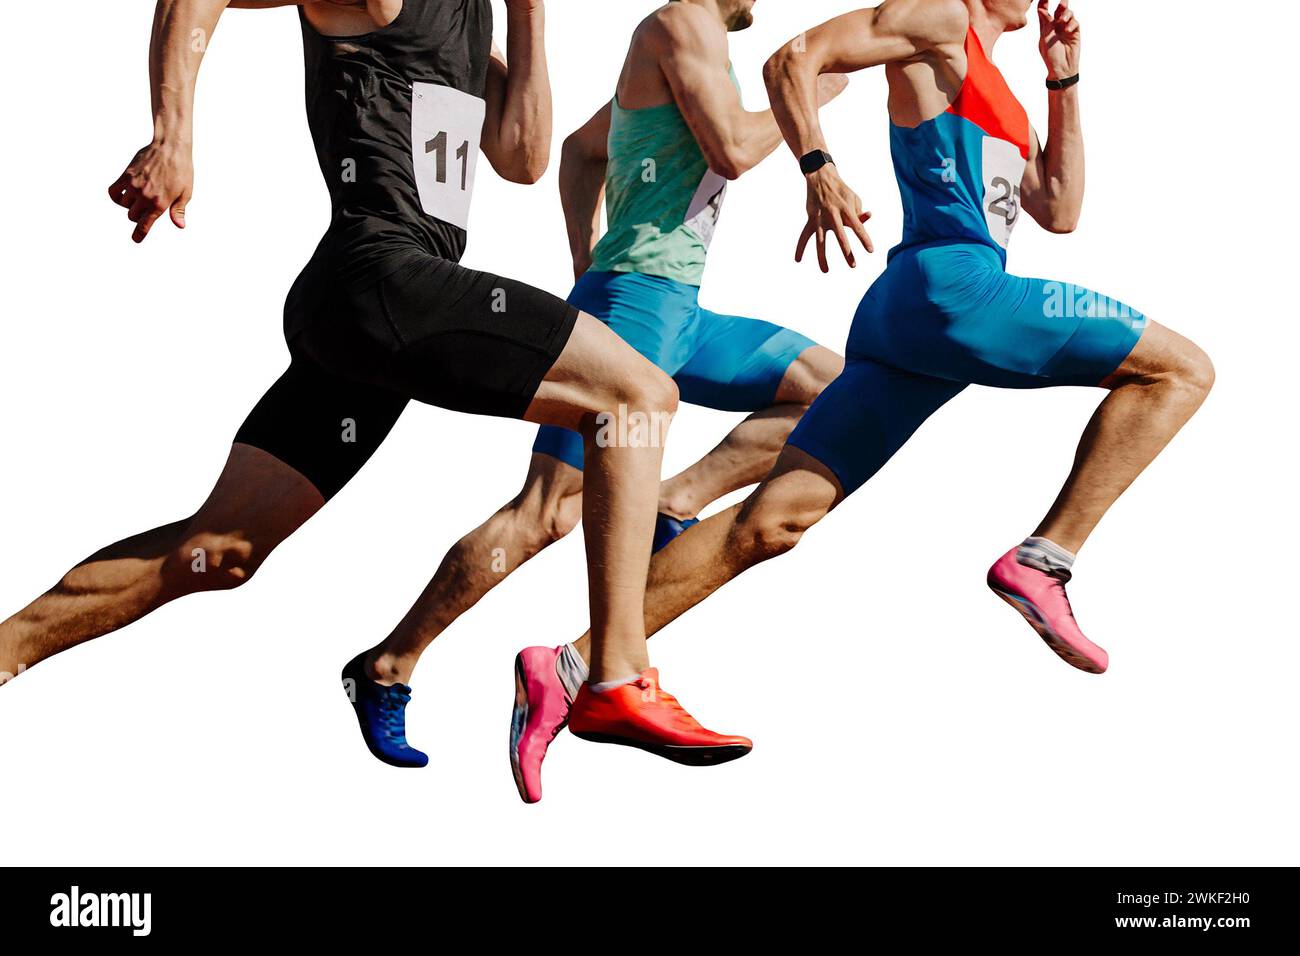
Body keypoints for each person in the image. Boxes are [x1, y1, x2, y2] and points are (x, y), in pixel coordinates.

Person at [0, 0, 746, 768]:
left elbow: (521, 157)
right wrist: (174, 136)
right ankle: (616, 676)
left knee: (218, 550)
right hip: (378, 277)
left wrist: (528, 14)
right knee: (637, 396)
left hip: (376, 317)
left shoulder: (470, 21)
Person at [511, 0, 1215, 783]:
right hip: (953, 293)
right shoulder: (940, 18)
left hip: (910, 325)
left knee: (771, 523)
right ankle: (1043, 561)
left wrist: (1064, 79)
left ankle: (573, 667)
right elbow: (792, 60)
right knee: (1182, 370)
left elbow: (1061, 207)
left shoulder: (1000, 81)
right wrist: (821, 169)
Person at [336, 0, 846, 803]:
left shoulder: (699, 46)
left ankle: (672, 503)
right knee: (545, 513)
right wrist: (813, 90)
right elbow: (737, 148)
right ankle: (388, 666)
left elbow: (580, 152)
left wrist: (585, 264)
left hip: (675, 308)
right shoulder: (680, 24)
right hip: (636, 307)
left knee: (834, 392)